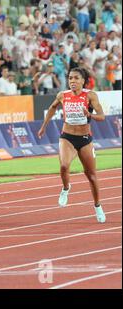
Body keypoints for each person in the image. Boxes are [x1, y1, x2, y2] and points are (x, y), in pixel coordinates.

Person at [38, 67, 106, 223]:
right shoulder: (63, 95)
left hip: (85, 138)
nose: (72, 81)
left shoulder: (90, 96)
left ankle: (97, 206)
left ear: (83, 81)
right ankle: (66, 188)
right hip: (67, 137)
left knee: (91, 176)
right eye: (70, 78)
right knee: (64, 166)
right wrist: (44, 126)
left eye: (76, 78)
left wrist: (90, 115)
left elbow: (102, 116)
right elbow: (52, 107)